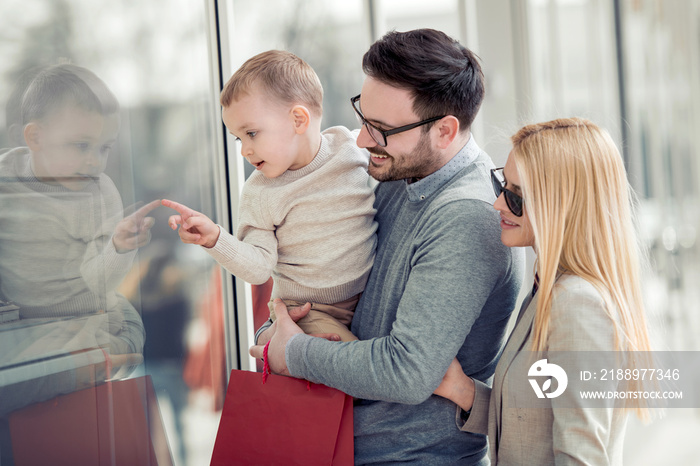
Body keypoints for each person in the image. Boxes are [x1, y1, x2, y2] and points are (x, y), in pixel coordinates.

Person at [251, 29, 525, 465]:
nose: (361, 141)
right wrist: (288, 321)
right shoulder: (399, 173)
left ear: (444, 130)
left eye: (381, 130)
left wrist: (294, 352)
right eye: (363, 118)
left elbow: (407, 372)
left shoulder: (466, 217)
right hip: (337, 441)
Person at [432, 117, 653, 465]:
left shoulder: (577, 304)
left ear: (562, 206)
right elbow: (534, 421)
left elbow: (581, 457)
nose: (499, 205)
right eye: (502, 185)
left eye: (517, 198)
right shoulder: (549, 289)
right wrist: (463, 391)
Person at [163, 50, 377, 342]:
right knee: (361, 364)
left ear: (298, 120)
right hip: (308, 312)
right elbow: (258, 268)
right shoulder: (261, 192)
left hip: (371, 297)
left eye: (251, 133)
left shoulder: (350, 146)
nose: (244, 150)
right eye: (239, 138)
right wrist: (215, 238)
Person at [0, 63, 156, 414]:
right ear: (34, 138)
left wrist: (119, 247)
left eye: (104, 148)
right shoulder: (5, 181)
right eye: (82, 146)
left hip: (84, 317)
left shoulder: (99, 195)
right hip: (22, 322)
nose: (94, 162)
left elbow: (99, 281)